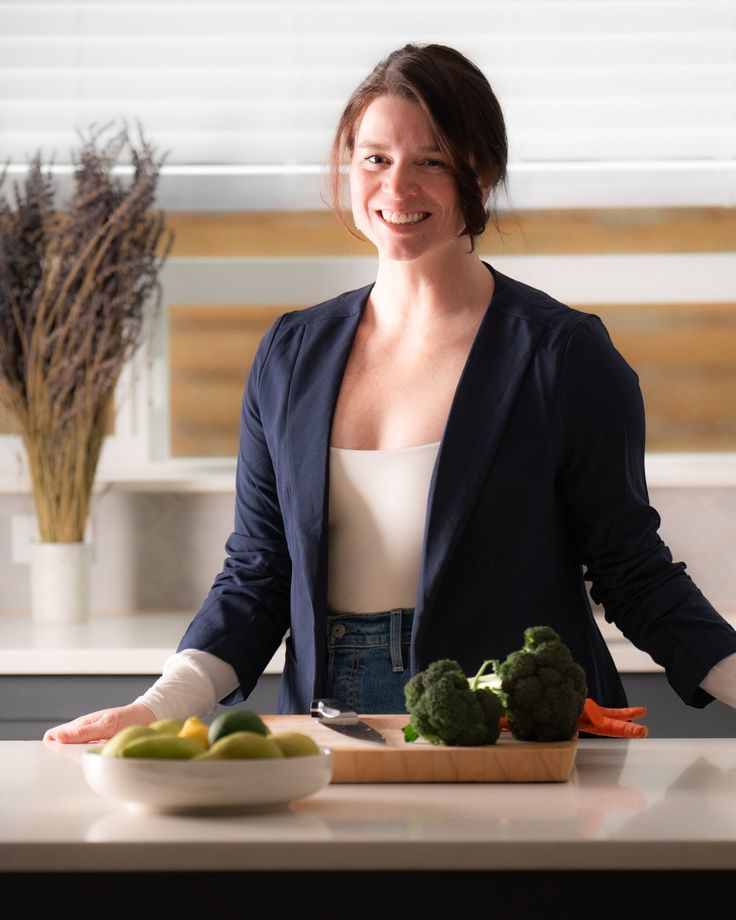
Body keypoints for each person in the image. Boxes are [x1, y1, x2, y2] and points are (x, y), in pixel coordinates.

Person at [45, 43, 736, 744]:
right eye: (375, 158)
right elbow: (258, 575)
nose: (397, 187)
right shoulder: (289, 356)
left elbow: (634, 573)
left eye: (431, 161)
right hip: (327, 724)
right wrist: (156, 706)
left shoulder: (561, 356)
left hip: (511, 736)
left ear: (483, 172)